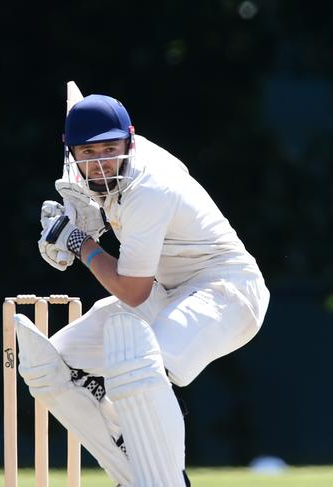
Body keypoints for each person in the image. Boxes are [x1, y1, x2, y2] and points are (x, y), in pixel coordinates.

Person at [14, 92, 270, 487]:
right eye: (87, 152)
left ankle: (168, 481)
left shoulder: (149, 187)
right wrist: (83, 216)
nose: (99, 161)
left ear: (129, 142)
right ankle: (132, 477)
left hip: (225, 291)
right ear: (71, 152)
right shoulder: (89, 173)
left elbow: (131, 291)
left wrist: (80, 241)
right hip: (164, 290)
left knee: (138, 368)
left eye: (109, 149)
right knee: (52, 366)